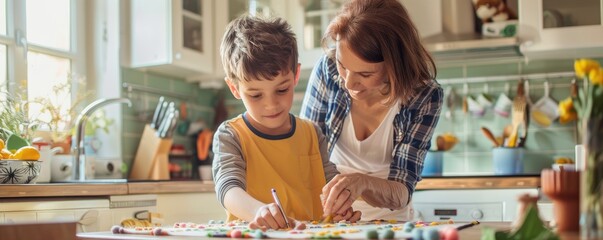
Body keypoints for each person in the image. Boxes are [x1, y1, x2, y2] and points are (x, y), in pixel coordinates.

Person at [212, 15, 360, 231]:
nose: (271, 105)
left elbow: (330, 185)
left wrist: (339, 205)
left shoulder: (312, 133)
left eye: (282, 90)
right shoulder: (231, 135)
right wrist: (257, 211)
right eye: (255, 95)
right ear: (234, 88)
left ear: (295, 75)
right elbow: (228, 189)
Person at [300, 0, 443, 221]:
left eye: (365, 75)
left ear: (395, 65)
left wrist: (362, 182)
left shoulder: (423, 96)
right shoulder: (327, 69)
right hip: (328, 218)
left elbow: (402, 190)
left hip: (391, 223)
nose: (348, 83)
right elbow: (305, 153)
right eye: (343, 66)